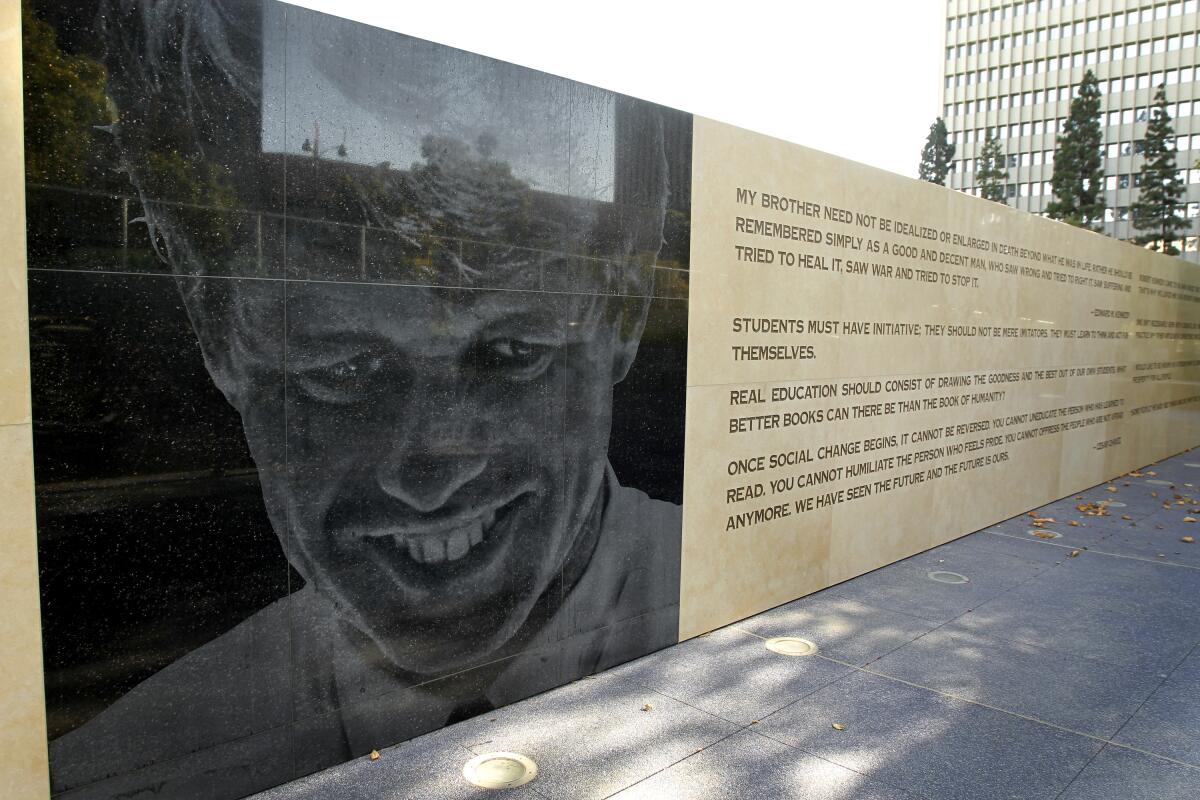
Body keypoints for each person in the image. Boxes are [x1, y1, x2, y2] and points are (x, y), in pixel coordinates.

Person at [46, 1, 687, 798]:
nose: (429, 475)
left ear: (623, 316)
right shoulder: (112, 770)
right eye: (343, 370)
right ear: (217, 338)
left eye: (512, 353)